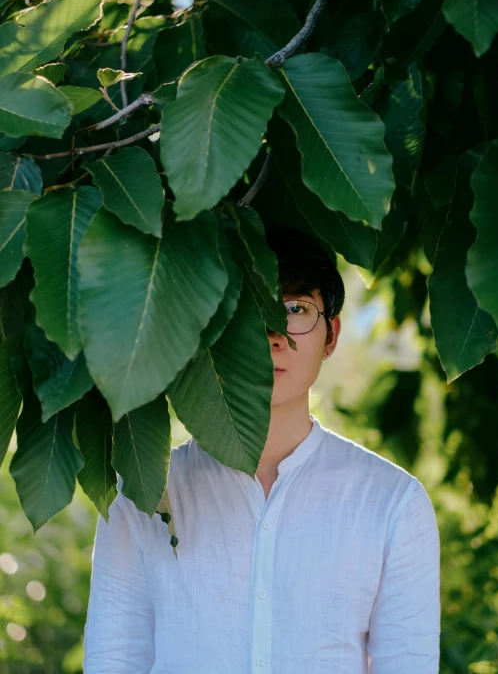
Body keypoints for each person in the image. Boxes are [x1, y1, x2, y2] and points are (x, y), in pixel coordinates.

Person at [82, 224, 440, 674]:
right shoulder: (143, 490)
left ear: (331, 336)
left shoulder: (392, 504)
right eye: (253, 305)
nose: (275, 333)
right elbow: (115, 659)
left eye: (295, 307)